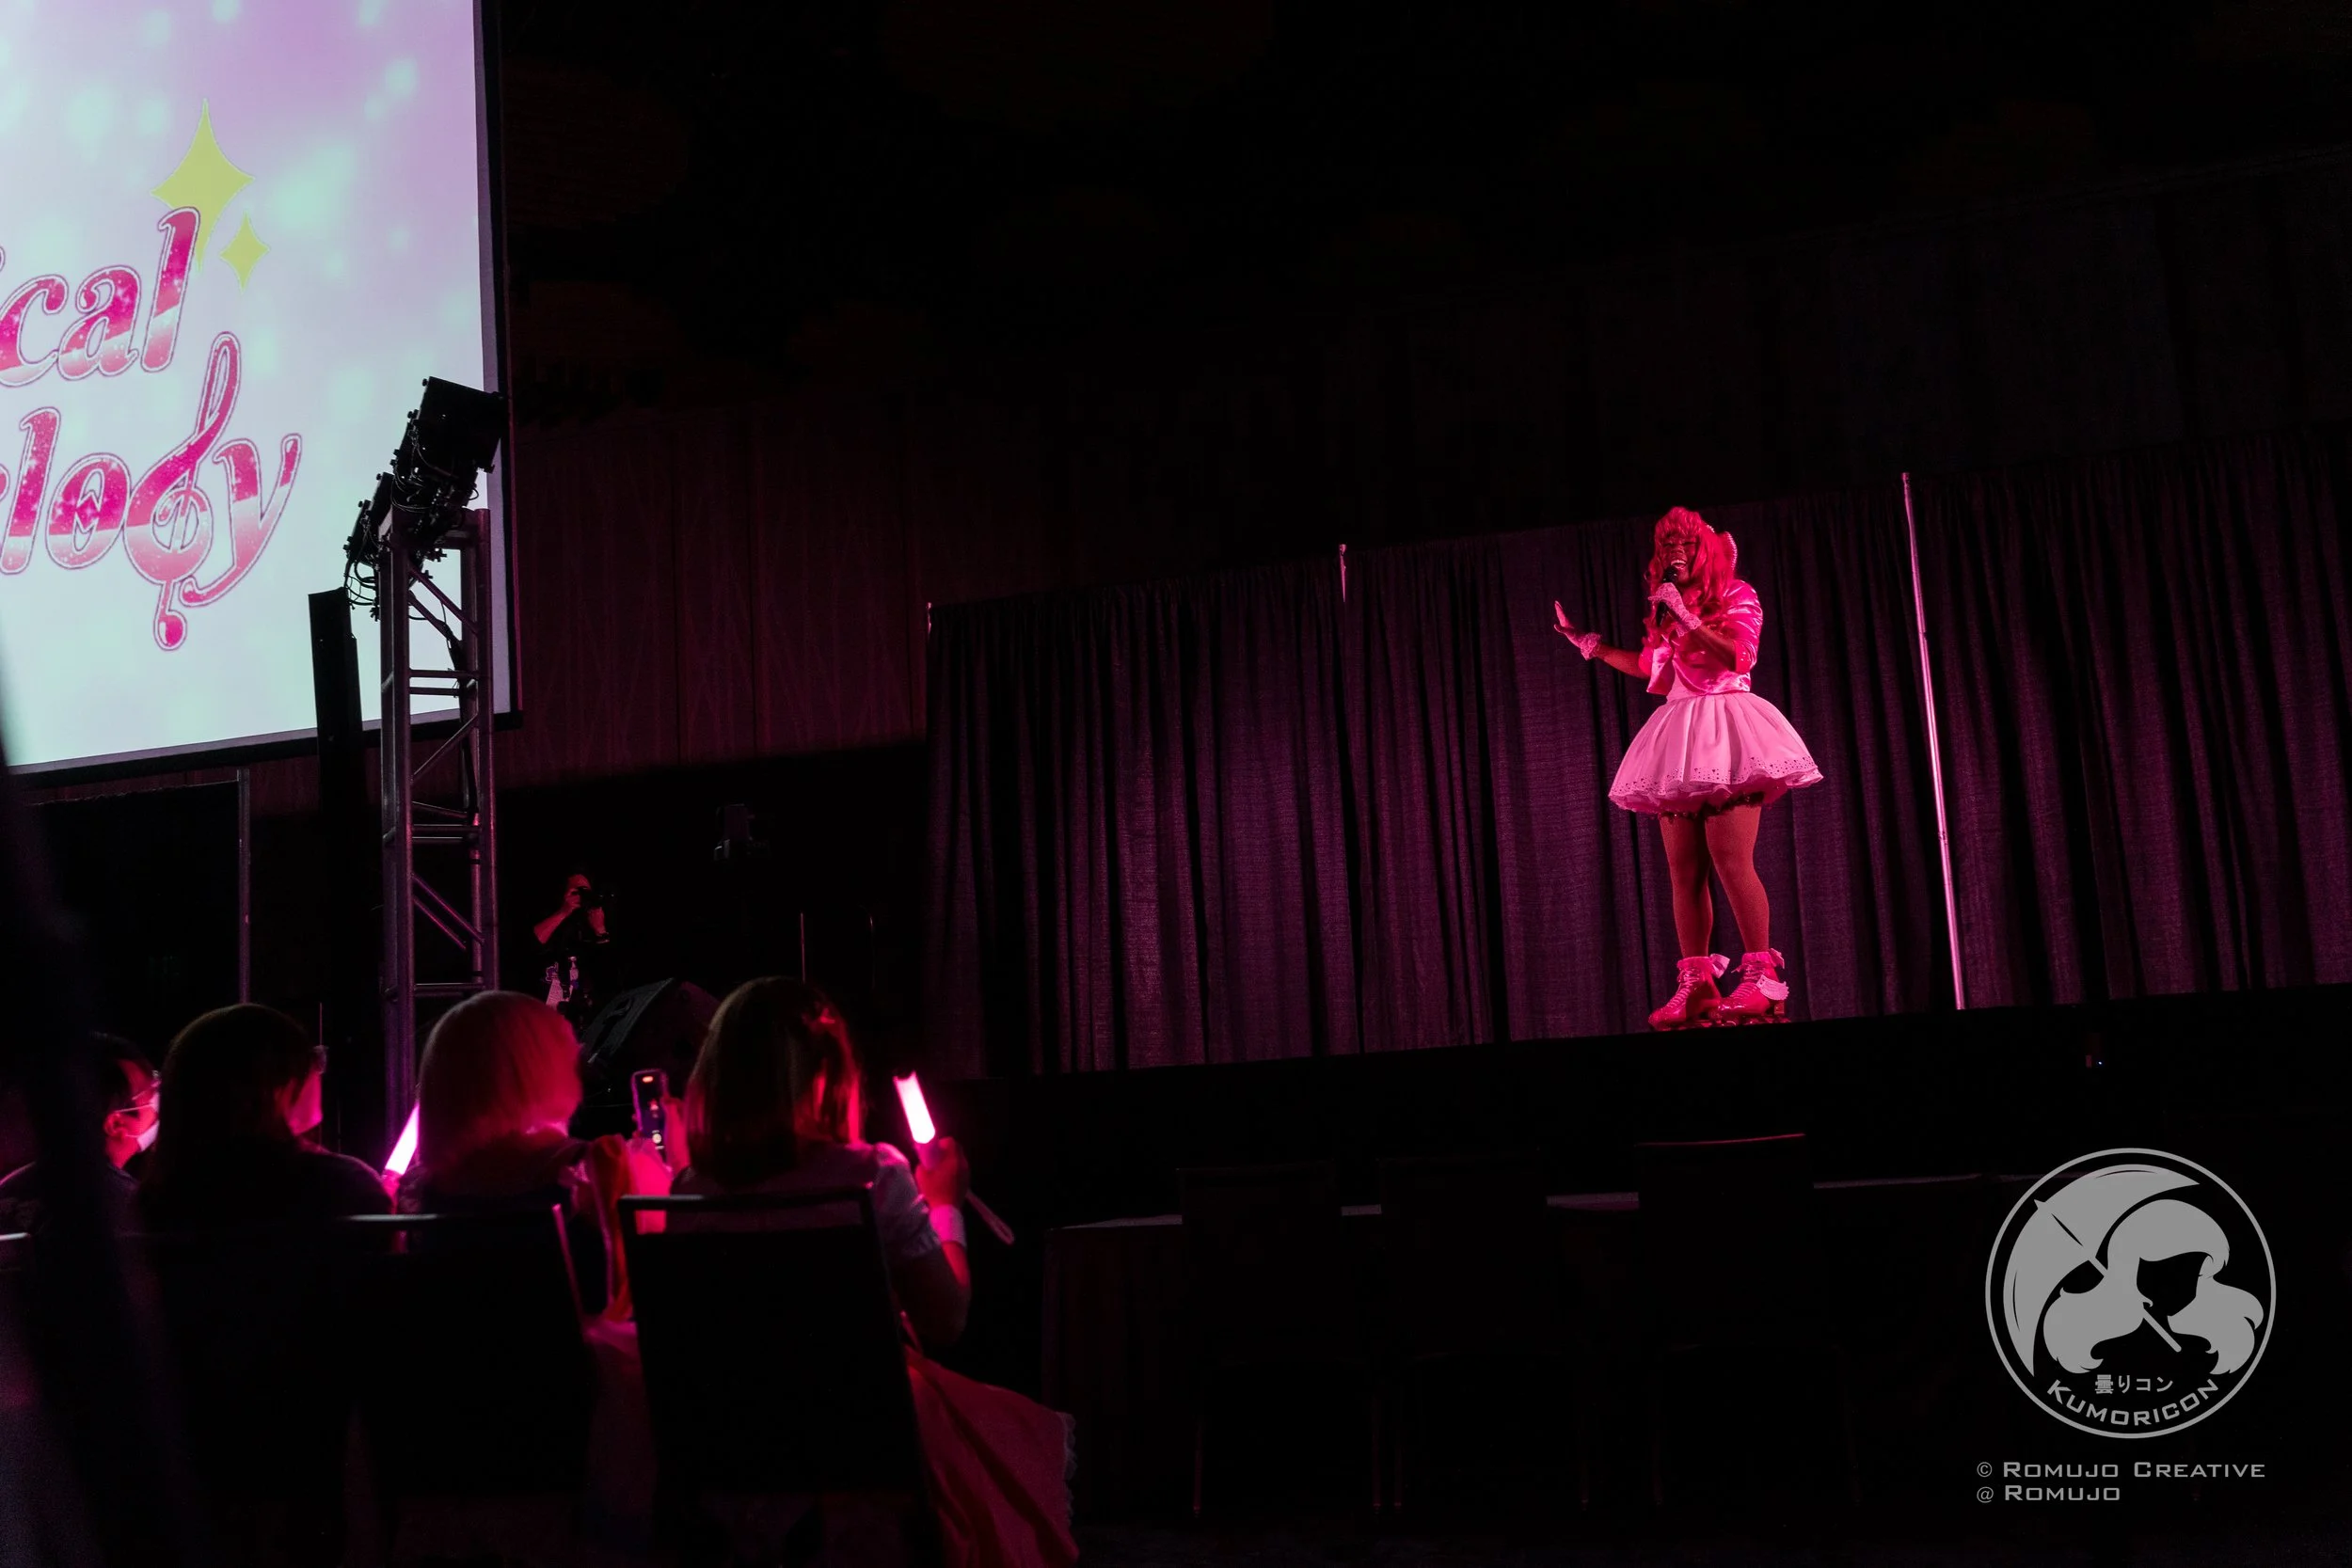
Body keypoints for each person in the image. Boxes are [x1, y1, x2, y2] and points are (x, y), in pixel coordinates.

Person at [676, 978, 1076, 1568]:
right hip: (863, 1434)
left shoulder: (688, 1192)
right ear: (827, 1075)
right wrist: (943, 1204)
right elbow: (947, 1319)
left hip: (736, 1437)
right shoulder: (872, 1176)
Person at [1554, 506, 1823, 1028]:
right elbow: (1648, 665)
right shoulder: (1667, 610)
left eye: (1684, 548)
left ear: (1704, 552)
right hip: (1678, 732)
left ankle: (1761, 982)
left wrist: (1688, 617)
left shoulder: (1737, 595)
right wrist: (1590, 645)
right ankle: (1698, 985)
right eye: (1666, 550)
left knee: (1730, 861)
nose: (1673, 557)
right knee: (1683, 872)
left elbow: (1740, 657)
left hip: (1728, 727)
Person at [401, 990, 671, 1316]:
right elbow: (663, 1270)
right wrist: (679, 1164)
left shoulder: (423, 1194)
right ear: (545, 1067)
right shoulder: (600, 1168)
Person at [138, 1005, 390, 1229]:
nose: (318, 1073)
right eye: (311, 1060)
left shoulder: (154, 1199)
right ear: (277, 1086)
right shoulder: (340, 1186)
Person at [0, 1036, 157, 1232]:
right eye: (150, 1092)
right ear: (116, 1124)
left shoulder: (9, 1190)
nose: (159, 1101)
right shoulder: (124, 1203)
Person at [532, 868, 612, 1026]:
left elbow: (610, 979)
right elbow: (531, 944)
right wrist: (564, 911)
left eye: (586, 892)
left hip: (580, 1025)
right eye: (577, 891)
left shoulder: (589, 930)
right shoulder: (551, 921)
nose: (582, 897)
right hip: (543, 1022)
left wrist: (600, 931)